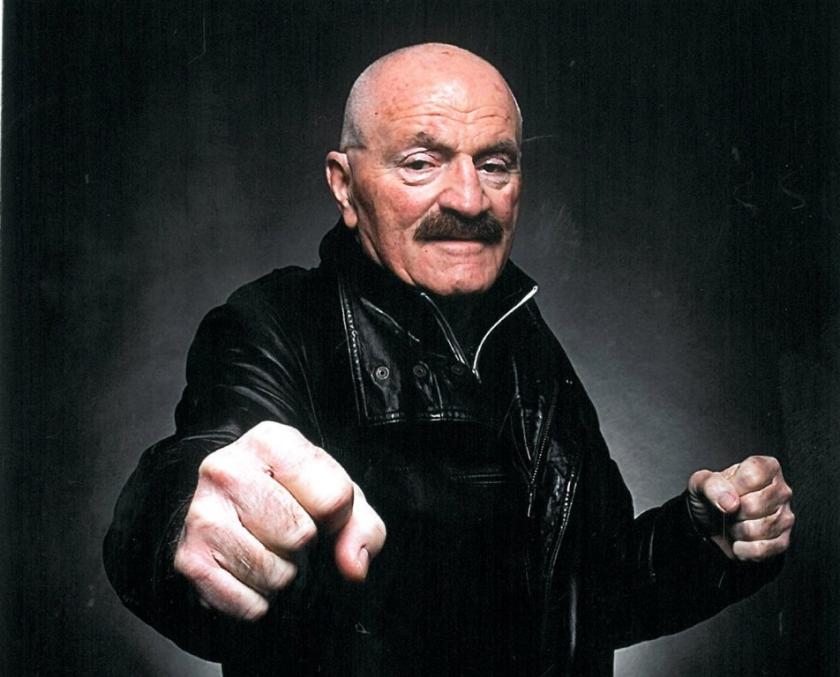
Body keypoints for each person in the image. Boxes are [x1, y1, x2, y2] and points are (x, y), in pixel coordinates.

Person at [104, 43, 794, 676]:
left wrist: (700, 540)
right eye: (421, 162)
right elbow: (201, 474)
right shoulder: (276, 325)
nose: (468, 199)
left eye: (494, 164)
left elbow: (593, 592)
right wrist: (181, 519)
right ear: (344, 186)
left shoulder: (529, 348)